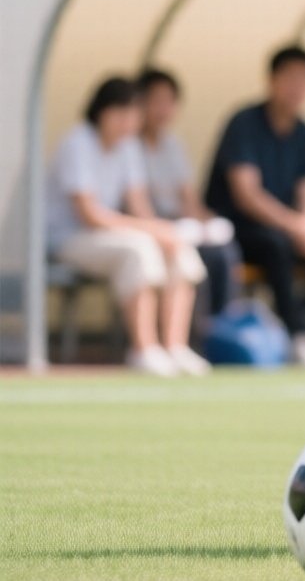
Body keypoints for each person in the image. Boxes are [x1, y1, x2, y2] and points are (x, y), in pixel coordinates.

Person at [47, 76, 207, 376]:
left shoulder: (128, 147)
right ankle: (144, 349)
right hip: (69, 238)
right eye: (120, 114)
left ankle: (175, 347)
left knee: (177, 248)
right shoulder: (77, 142)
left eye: (133, 116)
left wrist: (163, 233)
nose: (127, 123)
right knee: (140, 249)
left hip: (108, 235)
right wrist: (151, 232)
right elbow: (90, 214)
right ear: (101, 111)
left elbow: (138, 204)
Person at [203, 46, 305, 371]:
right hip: (236, 227)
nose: (296, 87)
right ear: (271, 80)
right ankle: (293, 334)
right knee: (276, 244)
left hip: (283, 226)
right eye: (290, 78)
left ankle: (303, 330)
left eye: (304, 80)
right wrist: (296, 226)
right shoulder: (244, 123)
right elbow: (247, 195)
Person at [135, 68, 238, 318]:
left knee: (223, 251)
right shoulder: (128, 145)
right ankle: (198, 330)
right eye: (155, 101)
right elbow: (136, 205)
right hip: (148, 227)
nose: (162, 109)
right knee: (191, 256)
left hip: (178, 224)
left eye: (168, 102)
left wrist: (207, 224)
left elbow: (189, 200)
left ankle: (223, 324)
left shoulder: (173, 146)